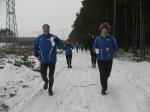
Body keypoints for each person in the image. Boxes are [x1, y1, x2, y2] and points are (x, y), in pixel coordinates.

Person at [33, 24, 63, 96]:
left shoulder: (53, 37)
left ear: (49, 29)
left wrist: (58, 41)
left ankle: (50, 89)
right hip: (43, 60)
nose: (46, 29)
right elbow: (35, 47)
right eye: (44, 28)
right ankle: (46, 81)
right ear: (42, 29)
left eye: (47, 28)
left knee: (51, 76)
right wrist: (35, 52)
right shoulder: (39, 38)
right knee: (43, 75)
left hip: (52, 60)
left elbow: (61, 46)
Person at [93, 23, 118, 95]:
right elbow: (94, 47)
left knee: (107, 74)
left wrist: (110, 49)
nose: (104, 30)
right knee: (102, 73)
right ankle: (104, 88)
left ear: (107, 30)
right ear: (101, 30)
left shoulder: (111, 38)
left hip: (109, 59)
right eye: (103, 29)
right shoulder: (98, 38)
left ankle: (105, 80)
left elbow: (116, 47)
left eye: (105, 29)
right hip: (100, 59)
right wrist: (96, 50)